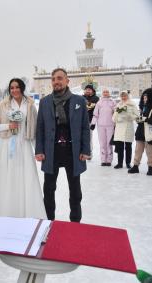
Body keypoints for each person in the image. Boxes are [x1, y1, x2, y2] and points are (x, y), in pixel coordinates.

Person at [0, 78, 46, 219]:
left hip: (24, 146)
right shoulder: (3, 105)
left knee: (27, 178)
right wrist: (7, 126)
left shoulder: (30, 105)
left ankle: (28, 213)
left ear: (22, 88)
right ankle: (7, 212)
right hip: (6, 147)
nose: (14, 90)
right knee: (7, 179)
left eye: (17, 87)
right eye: (12, 88)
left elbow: (34, 130)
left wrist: (38, 151)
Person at [35, 68, 90, 223]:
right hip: (51, 152)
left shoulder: (79, 101)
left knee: (75, 191)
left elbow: (85, 127)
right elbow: (40, 128)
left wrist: (86, 150)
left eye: (59, 78)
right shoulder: (45, 102)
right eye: (53, 79)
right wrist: (39, 150)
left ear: (67, 80)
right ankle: (48, 221)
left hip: (73, 152)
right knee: (49, 189)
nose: (56, 81)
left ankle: (75, 222)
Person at [128, 88, 152, 175]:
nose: (144, 99)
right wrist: (138, 119)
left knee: (150, 151)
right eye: (143, 98)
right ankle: (135, 166)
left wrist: (146, 119)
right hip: (140, 132)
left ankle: (150, 167)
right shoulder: (142, 107)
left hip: (149, 133)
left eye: (146, 98)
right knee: (138, 150)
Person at [112, 90, 138, 169]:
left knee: (128, 146)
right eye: (122, 96)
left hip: (128, 127)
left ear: (128, 96)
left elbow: (137, 115)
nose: (123, 97)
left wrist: (129, 116)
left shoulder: (132, 104)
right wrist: (118, 118)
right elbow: (113, 117)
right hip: (119, 127)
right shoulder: (118, 105)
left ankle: (128, 163)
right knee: (119, 147)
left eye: (125, 96)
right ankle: (119, 163)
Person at [90, 89, 116, 166]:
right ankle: (103, 159)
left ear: (109, 93)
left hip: (110, 125)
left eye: (107, 92)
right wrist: (93, 123)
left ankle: (109, 160)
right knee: (102, 143)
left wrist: (116, 123)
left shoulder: (112, 102)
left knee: (109, 143)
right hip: (101, 125)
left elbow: (116, 113)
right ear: (102, 93)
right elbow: (95, 114)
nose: (105, 93)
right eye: (104, 92)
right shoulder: (99, 102)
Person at [83, 84, 99, 158]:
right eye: (86, 89)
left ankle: (89, 153)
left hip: (90, 121)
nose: (87, 91)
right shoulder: (81, 98)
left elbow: (89, 107)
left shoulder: (95, 98)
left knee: (88, 137)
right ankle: (82, 152)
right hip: (81, 121)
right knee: (81, 137)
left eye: (89, 89)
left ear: (92, 91)